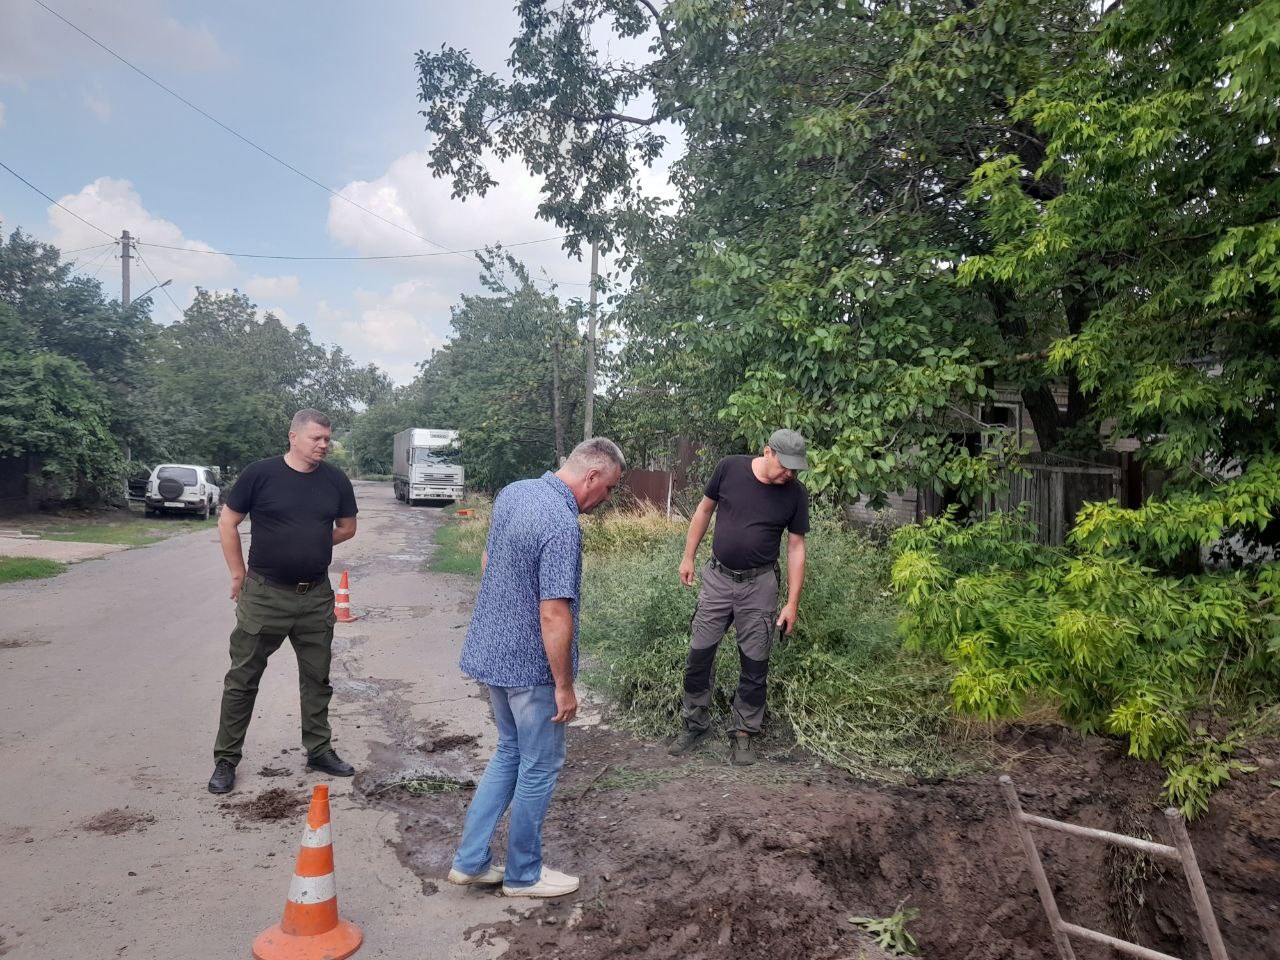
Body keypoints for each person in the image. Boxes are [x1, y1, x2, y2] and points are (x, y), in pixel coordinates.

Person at [447, 438, 625, 898]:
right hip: (530, 668)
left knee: (509, 752)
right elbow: (553, 612)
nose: (605, 500)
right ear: (591, 476)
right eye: (607, 489)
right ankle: (524, 874)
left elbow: (489, 562)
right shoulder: (562, 523)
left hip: (492, 654)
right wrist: (564, 686)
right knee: (541, 765)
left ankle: (470, 861)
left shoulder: (515, 492)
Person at [206, 409, 359, 795]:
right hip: (265, 595)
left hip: (316, 598)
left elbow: (348, 527)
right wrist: (238, 574)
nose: (324, 444)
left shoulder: (335, 480)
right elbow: (227, 522)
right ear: (293, 437)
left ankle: (319, 750)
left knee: (317, 679)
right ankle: (226, 760)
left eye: (327, 438)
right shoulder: (260, 474)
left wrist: (311, 542)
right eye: (316, 438)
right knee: (242, 679)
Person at [668, 428, 810, 766]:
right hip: (717, 578)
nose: (789, 473)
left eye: (795, 469)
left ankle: (744, 732)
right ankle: (695, 723)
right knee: (699, 655)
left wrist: (792, 603)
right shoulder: (729, 468)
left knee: (755, 663)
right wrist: (688, 556)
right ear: (767, 452)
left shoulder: (795, 494)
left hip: (759, 585)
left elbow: (796, 547)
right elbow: (703, 511)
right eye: (785, 466)